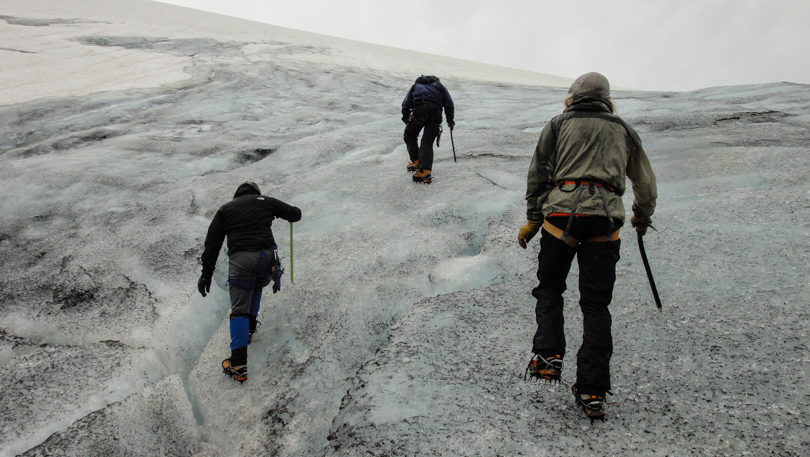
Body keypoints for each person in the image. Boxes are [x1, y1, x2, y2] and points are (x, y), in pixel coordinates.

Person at [517, 72, 657, 421]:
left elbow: (539, 172)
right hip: (606, 220)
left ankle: (548, 356)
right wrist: (641, 215)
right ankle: (592, 387)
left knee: (550, 287)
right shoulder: (623, 129)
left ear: (573, 96)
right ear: (606, 98)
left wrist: (535, 217)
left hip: (561, 216)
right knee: (596, 304)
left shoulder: (558, 124)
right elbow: (645, 182)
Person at [197, 182, 302, 383]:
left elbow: (212, 245)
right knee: (256, 286)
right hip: (267, 259)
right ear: (256, 194)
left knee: (238, 310)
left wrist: (206, 274)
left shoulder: (225, 209)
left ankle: (238, 364)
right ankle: (250, 331)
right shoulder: (265, 201)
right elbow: (295, 214)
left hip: (242, 260)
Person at [401, 75, 455, 183]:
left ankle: (416, 161)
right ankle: (424, 170)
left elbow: (406, 104)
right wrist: (450, 120)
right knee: (427, 140)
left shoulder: (416, 86)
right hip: (435, 112)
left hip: (419, 109)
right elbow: (449, 104)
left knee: (410, 135)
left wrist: (407, 118)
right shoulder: (440, 86)